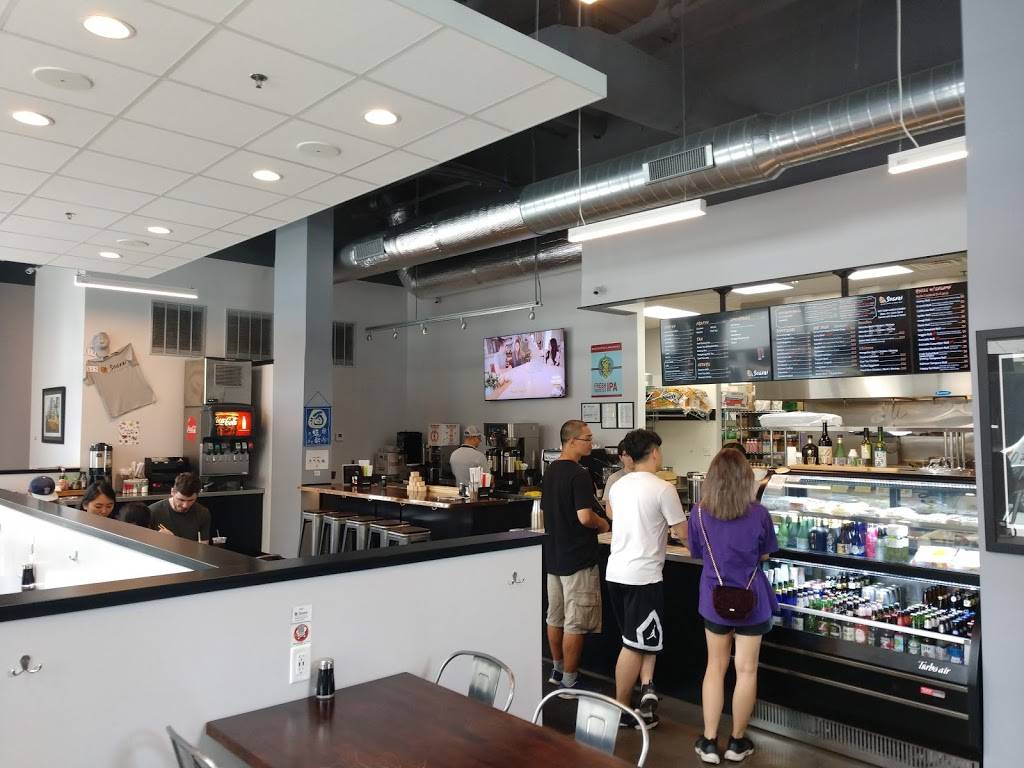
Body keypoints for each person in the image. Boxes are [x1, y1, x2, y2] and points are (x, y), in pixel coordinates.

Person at [688, 448, 778, 765]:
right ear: (746, 478)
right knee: (746, 670)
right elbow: (766, 554)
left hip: (714, 600)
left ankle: (709, 741)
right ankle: (737, 742)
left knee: (715, 667)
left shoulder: (699, 513)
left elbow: (696, 552)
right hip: (752, 600)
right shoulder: (759, 514)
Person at [605, 429, 688, 730]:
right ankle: (622, 711)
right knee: (633, 644)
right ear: (654, 452)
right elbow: (682, 532)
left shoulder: (619, 486)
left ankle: (646, 691)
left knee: (641, 639)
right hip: (643, 577)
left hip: (616, 573)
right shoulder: (663, 489)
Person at [543, 419, 609, 692]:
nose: (591, 443)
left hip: (554, 556)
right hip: (578, 558)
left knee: (555, 616)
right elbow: (585, 516)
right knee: (576, 621)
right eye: (587, 438)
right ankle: (570, 680)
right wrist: (603, 524)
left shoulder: (550, 471)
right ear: (571, 442)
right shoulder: (579, 474)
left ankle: (557, 669)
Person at [149, 473, 211, 542]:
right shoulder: (152, 512)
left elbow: (203, 546)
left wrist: (173, 540)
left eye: (191, 500)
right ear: (172, 492)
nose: (185, 505)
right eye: (181, 500)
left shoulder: (202, 513)